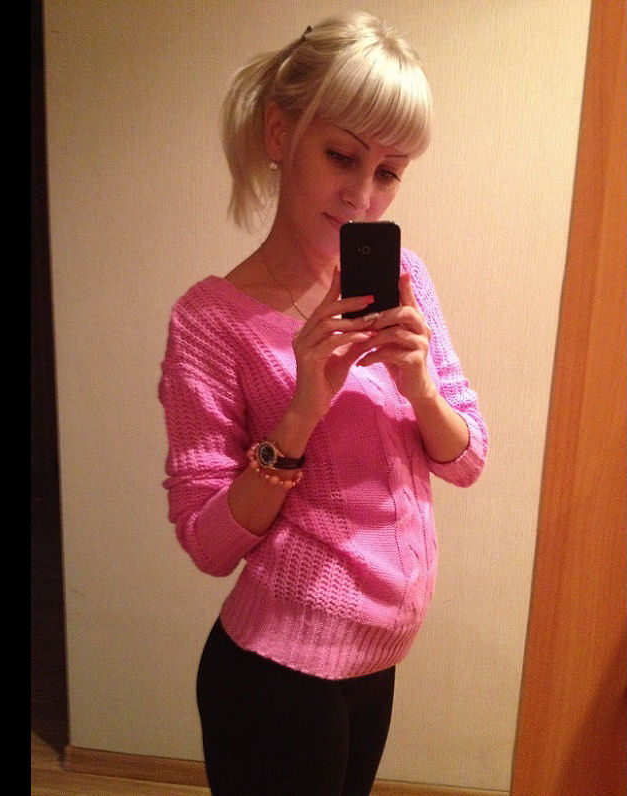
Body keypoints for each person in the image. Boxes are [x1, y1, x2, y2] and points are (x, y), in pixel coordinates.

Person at [159, 10, 488, 795]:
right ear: (281, 134)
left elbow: (467, 458)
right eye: (342, 155)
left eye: (390, 171)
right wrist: (302, 411)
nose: (363, 195)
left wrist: (420, 388)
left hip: (377, 661)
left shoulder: (403, 277)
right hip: (276, 678)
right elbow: (208, 544)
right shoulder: (209, 323)